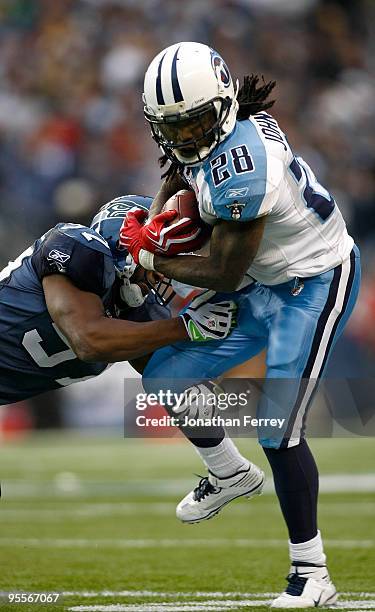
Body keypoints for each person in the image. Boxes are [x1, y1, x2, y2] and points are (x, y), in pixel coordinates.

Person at [121, 42, 361, 608]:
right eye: (172, 127)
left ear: (224, 106)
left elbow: (225, 274)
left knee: (278, 427)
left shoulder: (244, 168)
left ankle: (312, 572)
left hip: (312, 282)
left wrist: (151, 256)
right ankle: (229, 473)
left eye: (195, 123)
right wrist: (154, 220)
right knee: (164, 380)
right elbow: (181, 169)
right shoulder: (214, 130)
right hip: (263, 277)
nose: (184, 138)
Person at [0, 194, 237, 406]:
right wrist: (186, 326)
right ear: (125, 246)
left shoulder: (139, 313)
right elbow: (88, 340)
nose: (165, 273)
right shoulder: (77, 248)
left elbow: (176, 391)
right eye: (162, 258)